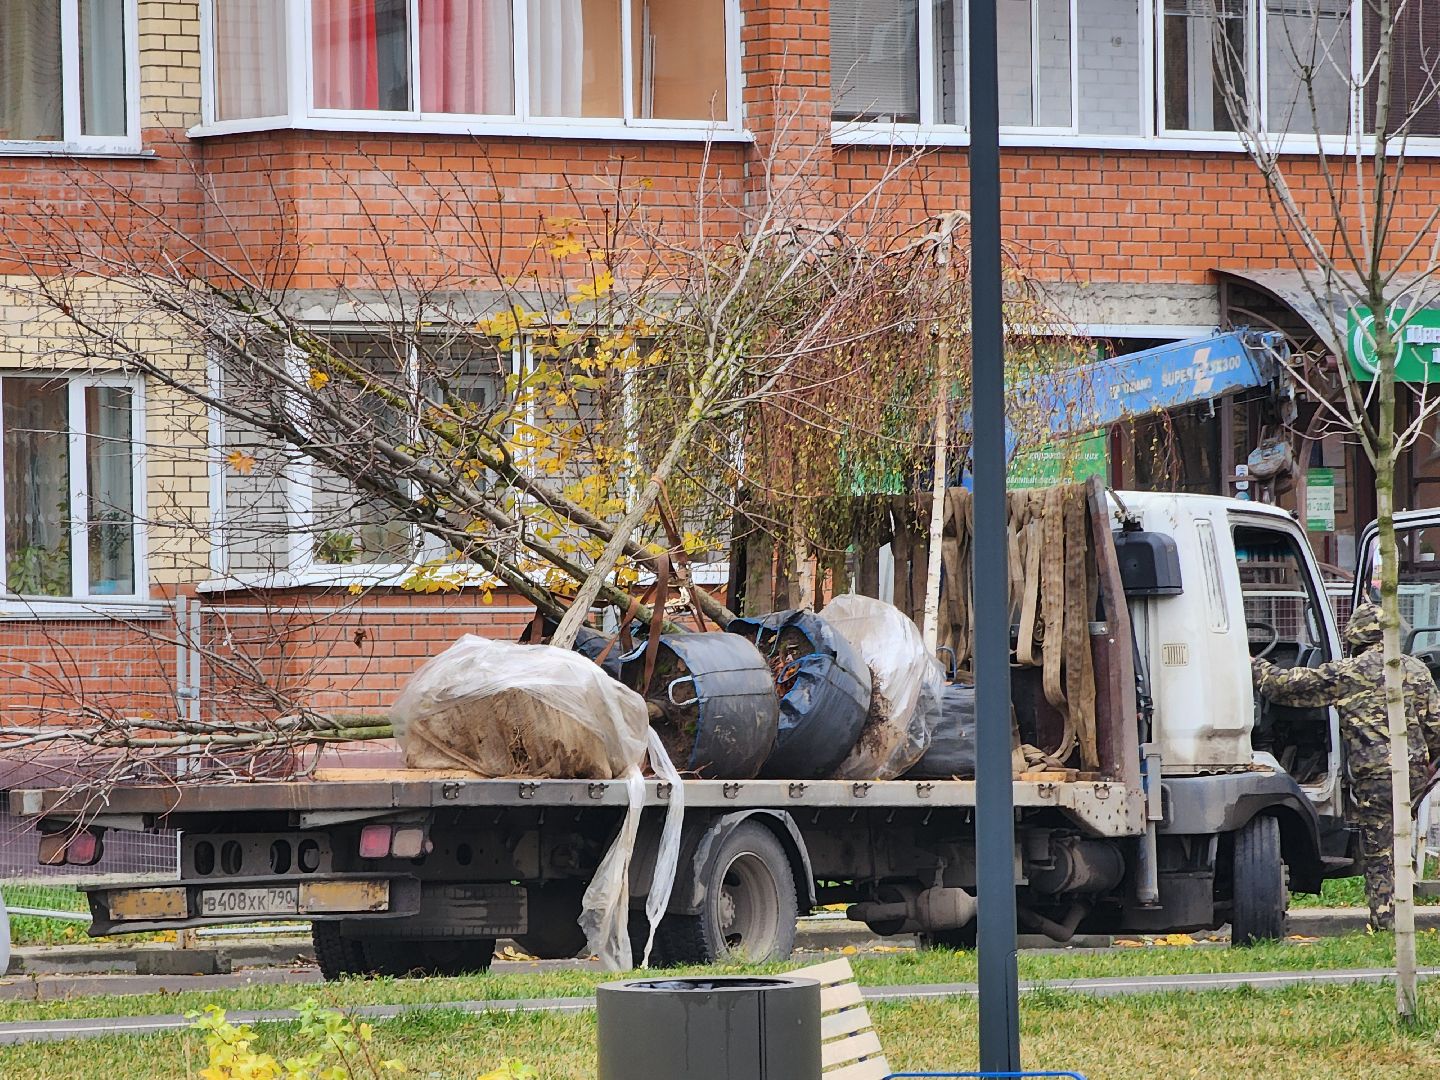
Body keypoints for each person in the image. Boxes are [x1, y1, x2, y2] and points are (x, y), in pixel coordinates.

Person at [1252, 600, 1440, 930]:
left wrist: (1253, 665)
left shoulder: (1349, 671)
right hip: (1411, 772)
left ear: (1356, 636)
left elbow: (1285, 687)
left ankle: (1387, 920)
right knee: (1400, 838)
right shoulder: (1417, 670)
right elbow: (1436, 727)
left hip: (1373, 775)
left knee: (1380, 847)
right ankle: (1402, 909)